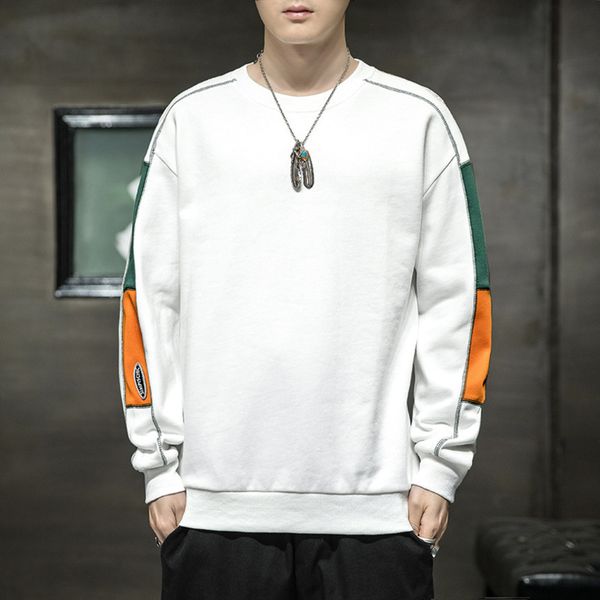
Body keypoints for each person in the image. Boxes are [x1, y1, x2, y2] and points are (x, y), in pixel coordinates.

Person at [117, 1, 493, 598]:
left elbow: (459, 301)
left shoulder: (416, 119)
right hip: (214, 507)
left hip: (380, 510)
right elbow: (149, 300)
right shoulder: (192, 120)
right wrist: (159, 465)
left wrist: (439, 464)